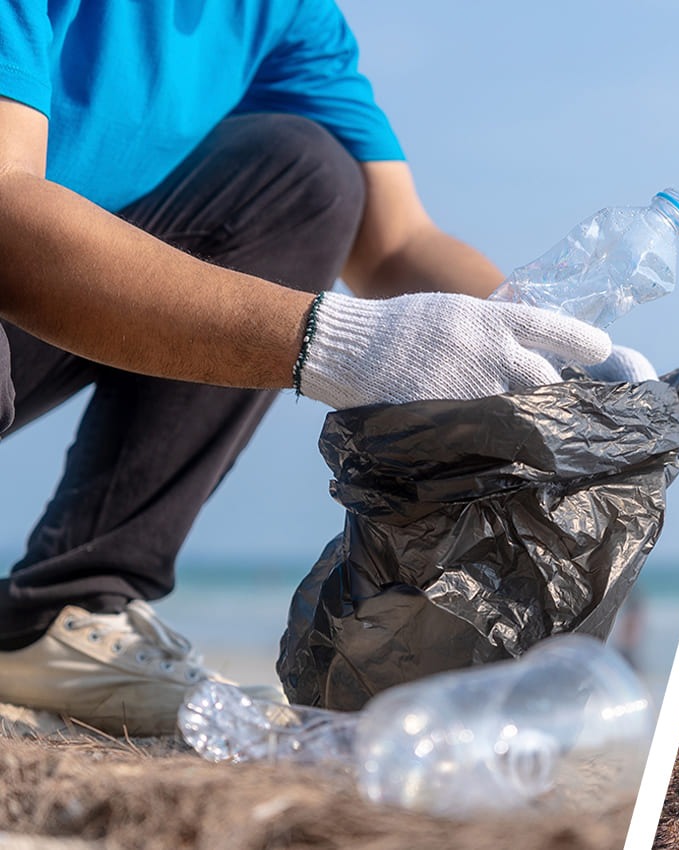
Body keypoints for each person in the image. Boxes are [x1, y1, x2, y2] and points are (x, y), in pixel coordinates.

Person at [0, 1, 627, 735]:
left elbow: (394, 244)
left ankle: (60, 617)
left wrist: (561, 355)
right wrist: (336, 341)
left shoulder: (283, 13)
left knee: (304, 175)